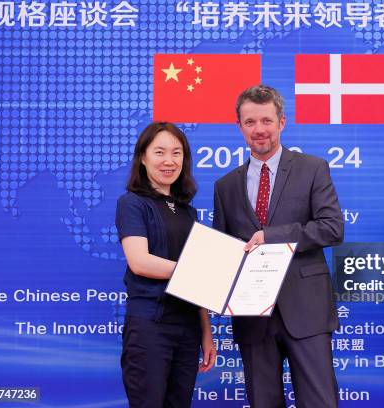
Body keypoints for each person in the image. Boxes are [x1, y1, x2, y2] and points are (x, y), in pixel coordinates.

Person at [213, 85, 344, 407]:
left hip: (306, 311)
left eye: (267, 121)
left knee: (320, 403)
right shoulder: (225, 186)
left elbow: (332, 228)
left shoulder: (312, 168)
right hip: (252, 316)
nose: (259, 130)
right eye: (250, 122)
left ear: (282, 122)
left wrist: (271, 236)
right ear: (239, 126)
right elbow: (223, 252)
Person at [115, 122, 216, 408]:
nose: (169, 161)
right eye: (159, 152)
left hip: (187, 329)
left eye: (177, 153)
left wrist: (206, 333)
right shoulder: (132, 204)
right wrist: (196, 270)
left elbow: (199, 284)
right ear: (143, 158)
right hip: (150, 326)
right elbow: (140, 262)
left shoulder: (188, 212)